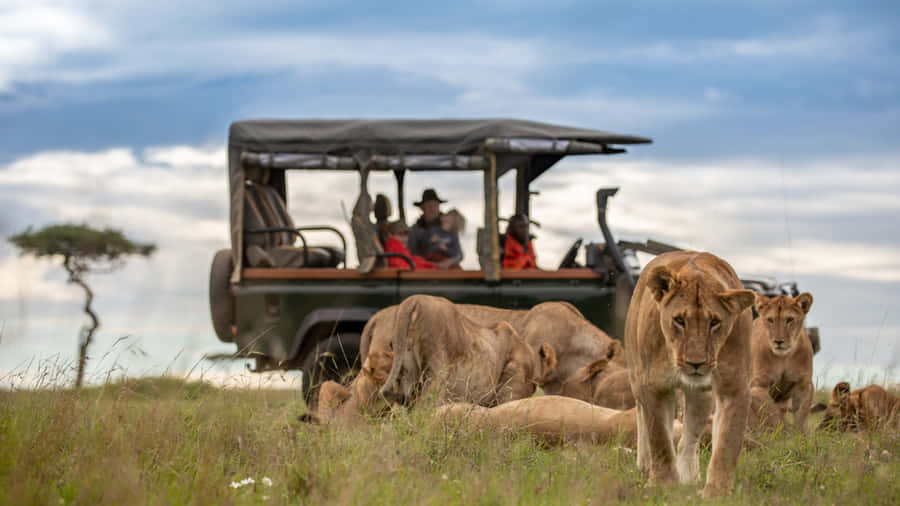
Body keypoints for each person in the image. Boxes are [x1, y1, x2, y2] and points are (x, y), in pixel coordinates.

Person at [408, 188, 463, 269]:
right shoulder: (415, 230)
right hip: (426, 268)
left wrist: (447, 262)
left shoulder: (449, 226)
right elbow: (412, 253)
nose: (432, 208)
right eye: (429, 205)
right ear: (422, 208)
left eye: (435, 205)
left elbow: (459, 254)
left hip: (449, 268)